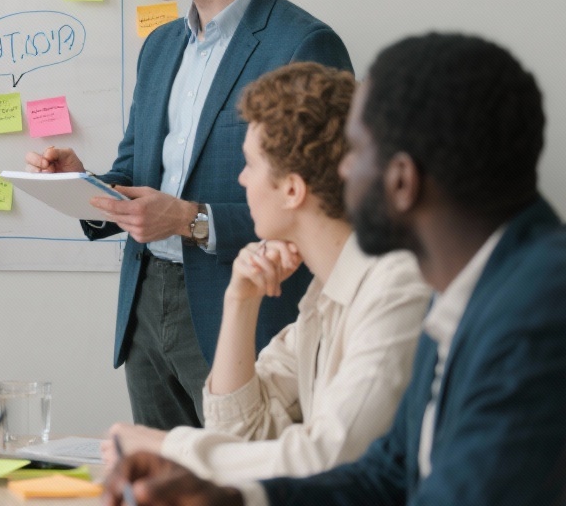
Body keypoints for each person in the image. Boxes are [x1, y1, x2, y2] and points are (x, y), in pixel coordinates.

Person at [104, 33, 566, 505]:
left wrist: (178, 449)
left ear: (402, 181)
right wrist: (230, 498)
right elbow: (385, 473)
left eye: (357, 154)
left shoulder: (537, 309)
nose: (339, 173)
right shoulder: (465, 288)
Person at [26, 0, 352, 428]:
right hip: (146, 309)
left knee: (238, 484)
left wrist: (189, 220)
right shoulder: (160, 48)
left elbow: (330, 208)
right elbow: (137, 171)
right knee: (162, 483)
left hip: (245, 315)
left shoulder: (303, 46)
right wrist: (83, 182)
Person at [104, 62, 430, 480]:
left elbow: (332, 457)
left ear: (292, 189)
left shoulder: (396, 286)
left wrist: (170, 447)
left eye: (250, 164)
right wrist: (239, 302)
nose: (241, 179)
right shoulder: (324, 292)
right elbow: (240, 433)